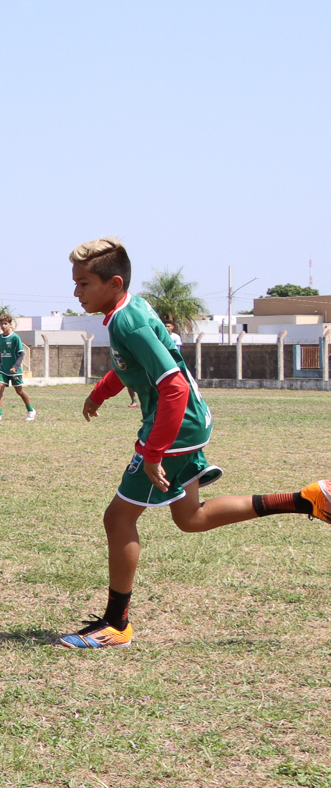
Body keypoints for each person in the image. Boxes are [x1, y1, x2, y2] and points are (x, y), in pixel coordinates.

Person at [61, 237, 330, 649]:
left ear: (114, 283)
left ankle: (116, 625)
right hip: (187, 422)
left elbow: (172, 386)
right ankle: (307, 499)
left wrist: (154, 452)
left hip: (175, 426)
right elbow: (135, 365)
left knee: (118, 519)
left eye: (83, 284)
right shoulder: (129, 310)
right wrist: (101, 392)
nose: (76, 292)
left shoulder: (127, 320)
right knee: (191, 518)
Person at [0, 315, 34, 421]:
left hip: (14, 370)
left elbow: (21, 354)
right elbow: (1, 353)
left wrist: (15, 367)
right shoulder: (0, 337)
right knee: (0, 388)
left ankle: (31, 410)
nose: (3, 326)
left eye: (5, 324)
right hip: (3, 369)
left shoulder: (15, 337)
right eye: (1, 324)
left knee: (19, 391)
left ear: (10, 324)